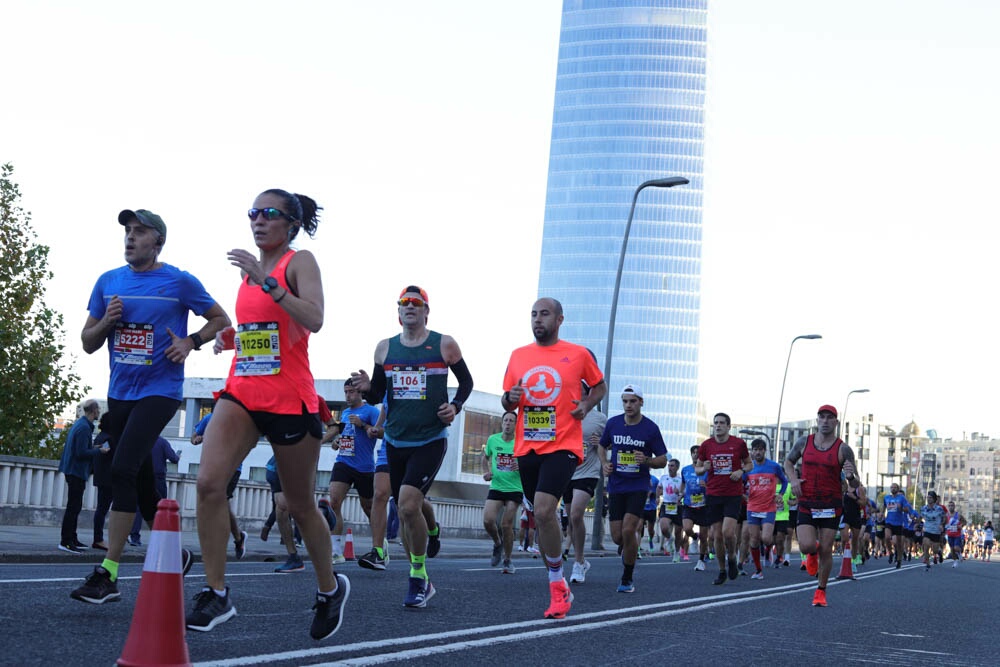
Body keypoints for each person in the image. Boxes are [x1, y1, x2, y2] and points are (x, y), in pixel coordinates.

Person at [185, 189, 348, 640]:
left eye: (269, 213)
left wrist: (267, 280)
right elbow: (270, 331)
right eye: (253, 212)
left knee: (298, 505)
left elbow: (312, 319)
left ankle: (329, 587)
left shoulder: (299, 262)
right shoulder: (251, 274)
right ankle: (216, 592)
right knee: (208, 483)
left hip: (289, 398)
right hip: (242, 391)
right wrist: (233, 339)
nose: (258, 220)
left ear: (291, 224)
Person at [72, 208, 230, 605]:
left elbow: (220, 319)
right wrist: (107, 321)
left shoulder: (178, 281)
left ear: (157, 241)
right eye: (127, 231)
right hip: (120, 394)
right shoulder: (108, 282)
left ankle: (108, 573)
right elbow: (88, 341)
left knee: (121, 468)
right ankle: (176, 555)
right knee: (141, 482)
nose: (130, 237)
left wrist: (190, 342)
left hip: (161, 391)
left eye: (139, 231)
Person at [352, 285, 474, 608]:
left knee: (406, 505)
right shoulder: (384, 349)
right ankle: (421, 570)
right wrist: (367, 388)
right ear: (398, 311)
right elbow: (379, 393)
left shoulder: (444, 344)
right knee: (408, 514)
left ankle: (418, 576)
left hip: (430, 439)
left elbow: (466, 382)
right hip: (395, 439)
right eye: (404, 303)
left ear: (425, 311)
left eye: (416, 303)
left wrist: (456, 406)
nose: (409, 307)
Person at [501, 297, 605, 618]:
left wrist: (586, 406)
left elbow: (599, 387)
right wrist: (511, 397)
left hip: (563, 446)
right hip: (527, 448)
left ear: (560, 319)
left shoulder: (577, 354)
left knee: (545, 509)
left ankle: (557, 586)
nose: (537, 319)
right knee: (539, 511)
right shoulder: (519, 356)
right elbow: (507, 401)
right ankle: (558, 574)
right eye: (533, 314)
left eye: (544, 314)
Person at [783, 404, 861, 607]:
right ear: (817, 420)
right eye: (822, 417)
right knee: (807, 545)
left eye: (829, 418)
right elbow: (788, 463)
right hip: (807, 501)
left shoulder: (843, 449)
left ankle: (820, 591)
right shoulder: (804, 442)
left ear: (836, 422)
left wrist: (851, 476)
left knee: (826, 548)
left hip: (831, 504)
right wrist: (793, 480)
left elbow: (855, 483)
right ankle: (811, 552)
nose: (825, 421)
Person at [600, 384, 667, 593]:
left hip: (638, 485)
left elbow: (663, 460)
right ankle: (628, 547)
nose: (628, 405)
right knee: (618, 536)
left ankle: (627, 578)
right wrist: (604, 463)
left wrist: (646, 460)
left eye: (632, 401)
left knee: (629, 530)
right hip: (617, 485)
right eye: (625, 401)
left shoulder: (650, 428)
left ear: (641, 402)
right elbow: (602, 445)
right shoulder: (613, 424)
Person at [327, 379, 379, 565]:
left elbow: (382, 433)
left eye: (351, 392)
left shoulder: (371, 411)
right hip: (344, 462)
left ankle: (380, 545)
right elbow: (347, 435)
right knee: (334, 502)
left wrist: (363, 425)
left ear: (360, 393)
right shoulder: (346, 412)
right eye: (345, 392)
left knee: (369, 508)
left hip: (364, 467)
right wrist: (337, 443)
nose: (348, 396)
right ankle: (336, 551)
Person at [696, 412, 752, 585]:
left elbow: (749, 464)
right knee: (717, 536)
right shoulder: (706, 445)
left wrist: (740, 471)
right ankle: (722, 570)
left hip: (732, 494)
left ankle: (733, 557)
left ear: (729, 426)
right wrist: (703, 468)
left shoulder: (738, 444)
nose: (718, 426)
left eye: (722, 423)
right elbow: (697, 469)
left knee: (728, 532)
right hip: (713, 494)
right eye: (716, 423)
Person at [563, 380, 606, 583]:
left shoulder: (599, 418)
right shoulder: (564, 413)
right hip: (566, 472)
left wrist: (601, 445)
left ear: (589, 394)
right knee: (572, 520)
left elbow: (610, 446)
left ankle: (578, 562)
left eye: (579, 390)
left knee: (576, 513)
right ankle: (581, 559)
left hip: (589, 472)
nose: (576, 393)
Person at [59, 399, 102, 553]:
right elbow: (81, 453)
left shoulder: (80, 424)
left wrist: (93, 447)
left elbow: (81, 448)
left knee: (74, 506)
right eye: (99, 409)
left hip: (72, 470)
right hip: (76, 471)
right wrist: (99, 451)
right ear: (93, 411)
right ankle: (66, 541)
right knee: (73, 507)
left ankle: (72, 538)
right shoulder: (84, 428)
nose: (100, 412)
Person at [482, 411, 523, 572]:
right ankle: (498, 544)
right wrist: (486, 472)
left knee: (506, 524)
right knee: (488, 521)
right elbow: (484, 458)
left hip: (515, 488)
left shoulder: (521, 442)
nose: (508, 423)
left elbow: (531, 462)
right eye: (505, 420)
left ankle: (508, 559)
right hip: (497, 486)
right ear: (502, 423)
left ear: (516, 424)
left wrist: (521, 465)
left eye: (511, 421)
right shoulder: (493, 440)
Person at [743, 439, 788, 580]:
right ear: (752, 452)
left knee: (766, 538)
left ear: (764, 451)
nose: (757, 452)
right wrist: (744, 496)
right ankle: (758, 570)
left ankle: (769, 548)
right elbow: (740, 483)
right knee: (754, 540)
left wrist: (780, 495)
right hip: (752, 507)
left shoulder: (773, 466)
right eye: (755, 449)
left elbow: (785, 481)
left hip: (769, 507)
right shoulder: (748, 468)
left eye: (760, 449)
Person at [128, 435, 182, 548]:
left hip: (141, 477)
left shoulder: (141, 441)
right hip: (158, 479)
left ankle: (134, 536)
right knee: (160, 508)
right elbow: (174, 459)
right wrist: (178, 456)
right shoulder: (162, 442)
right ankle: (159, 537)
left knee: (139, 507)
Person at [681, 444, 710, 570]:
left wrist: (707, 487)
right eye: (693, 452)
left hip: (704, 506)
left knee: (704, 537)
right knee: (687, 529)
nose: (695, 454)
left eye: (698, 452)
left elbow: (714, 488)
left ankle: (701, 560)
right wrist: (680, 494)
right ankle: (694, 537)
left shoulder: (707, 471)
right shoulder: (685, 470)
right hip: (689, 504)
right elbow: (683, 484)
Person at [91, 412, 114, 550]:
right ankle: (98, 539)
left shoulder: (100, 437)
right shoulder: (110, 438)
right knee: (104, 509)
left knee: (101, 508)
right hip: (109, 479)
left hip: (101, 477)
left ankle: (98, 538)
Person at [882, 482, 917, 569]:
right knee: (887, 537)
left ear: (897, 489)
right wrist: (881, 515)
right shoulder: (886, 498)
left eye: (895, 487)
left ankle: (899, 560)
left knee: (899, 544)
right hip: (889, 521)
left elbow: (906, 509)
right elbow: (883, 507)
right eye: (891, 487)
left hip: (898, 523)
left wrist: (901, 508)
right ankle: (890, 553)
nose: (893, 488)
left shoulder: (901, 498)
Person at [656, 459, 685, 563]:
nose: (669, 468)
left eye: (672, 466)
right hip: (666, 505)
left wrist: (679, 494)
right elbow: (658, 487)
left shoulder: (681, 480)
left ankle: (676, 553)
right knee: (663, 528)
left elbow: (684, 493)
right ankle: (669, 538)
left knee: (678, 532)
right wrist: (657, 497)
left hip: (677, 507)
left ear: (677, 467)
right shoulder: (664, 478)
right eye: (669, 466)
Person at [918, 491, 947, 571]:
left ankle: (939, 552)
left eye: (930, 498)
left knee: (935, 550)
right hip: (927, 530)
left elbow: (944, 518)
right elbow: (920, 517)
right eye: (928, 497)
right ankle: (927, 563)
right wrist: (916, 523)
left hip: (936, 531)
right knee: (926, 545)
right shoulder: (923, 508)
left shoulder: (939, 509)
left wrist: (942, 524)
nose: (928, 499)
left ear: (934, 499)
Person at [944, 501, 966, 567]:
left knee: (956, 548)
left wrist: (961, 526)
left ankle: (959, 554)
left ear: (954, 507)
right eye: (949, 506)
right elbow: (943, 523)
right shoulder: (946, 515)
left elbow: (965, 522)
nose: (951, 507)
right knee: (952, 549)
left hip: (957, 535)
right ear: (948, 507)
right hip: (949, 535)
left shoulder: (958, 515)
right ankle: (955, 561)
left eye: (952, 505)